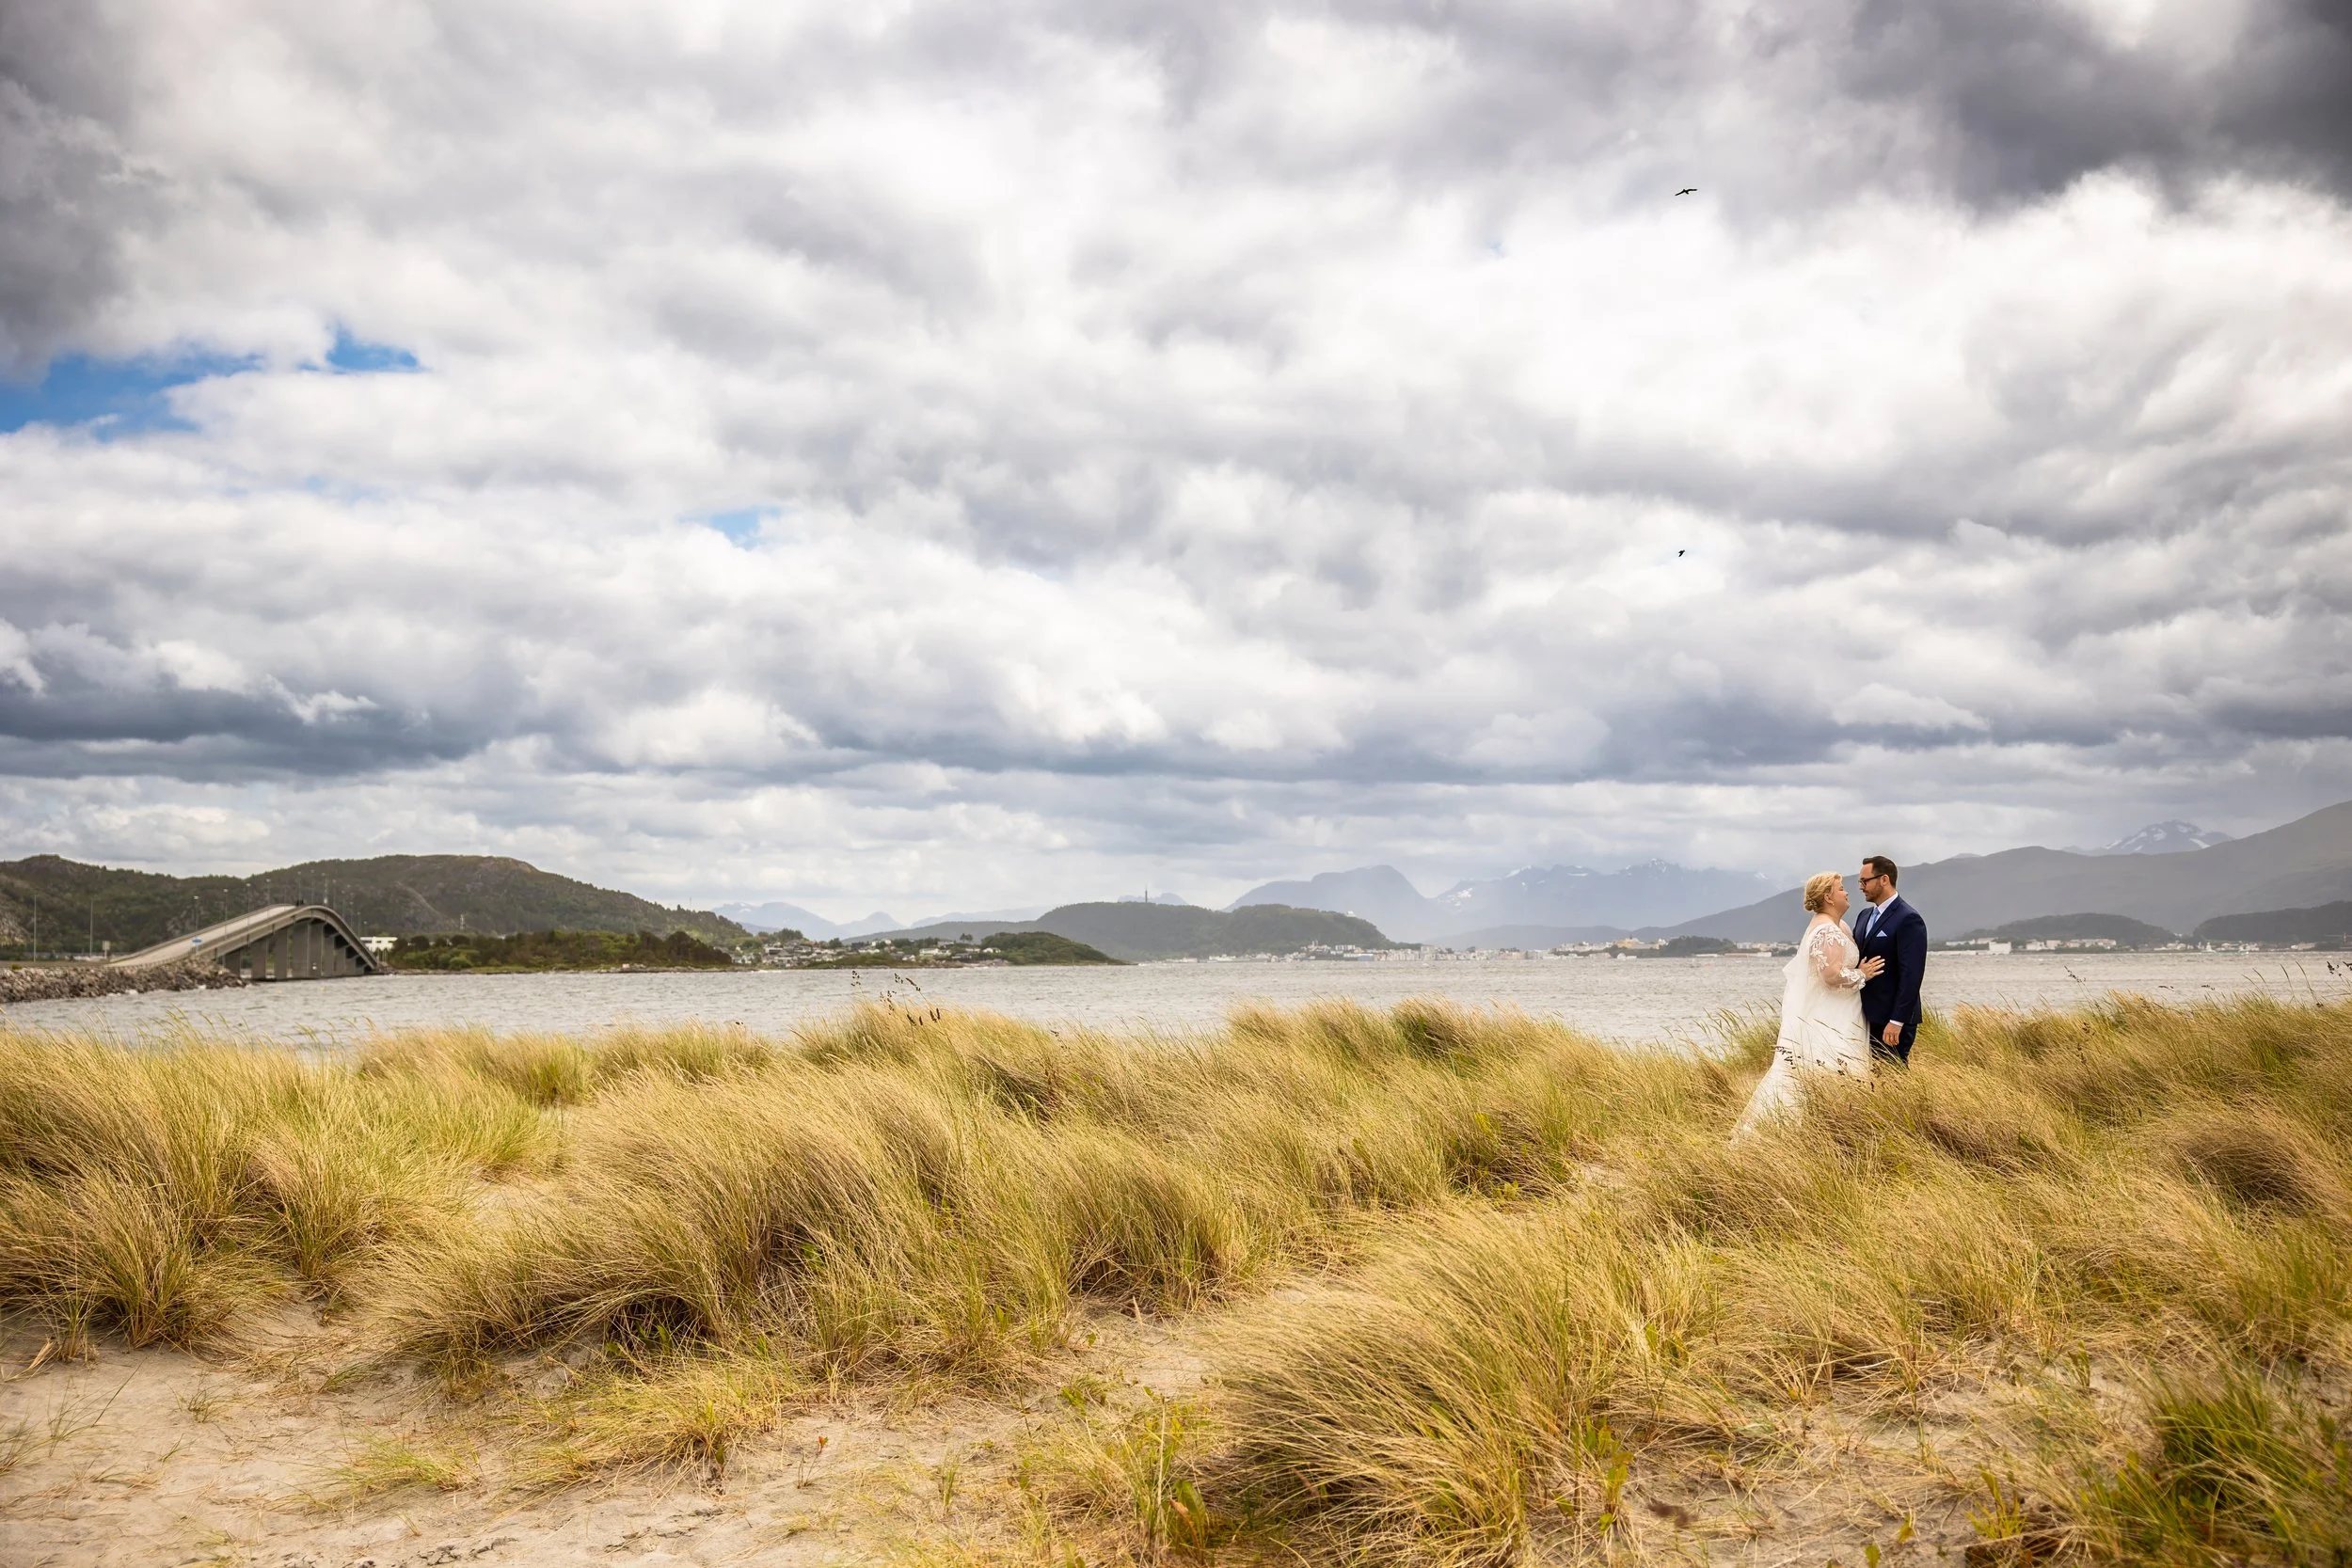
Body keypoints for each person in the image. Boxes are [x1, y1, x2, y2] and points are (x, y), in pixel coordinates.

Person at [1735, 871, 1883, 1137]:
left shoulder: (1839, 925)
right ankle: (1794, 1133)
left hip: (1845, 1011)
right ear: (1829, 897)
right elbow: (1831, 976)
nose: (1846, 892)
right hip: (1830, 1016)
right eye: (1840, 888)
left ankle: (1838, 1129)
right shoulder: (1826, 930)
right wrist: (1862, 974)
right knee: (1827, 1067)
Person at [1853, 855, 1926, 1065]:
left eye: (1865, 881)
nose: (1861, 887)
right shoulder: (1863, 916)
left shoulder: (1908, 918)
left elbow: (1912, 975)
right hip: (1865, 1016)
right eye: (1860, 881)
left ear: (1884, 879)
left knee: (1894, 1075)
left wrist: (1897, 1020)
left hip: (1891, 1020)